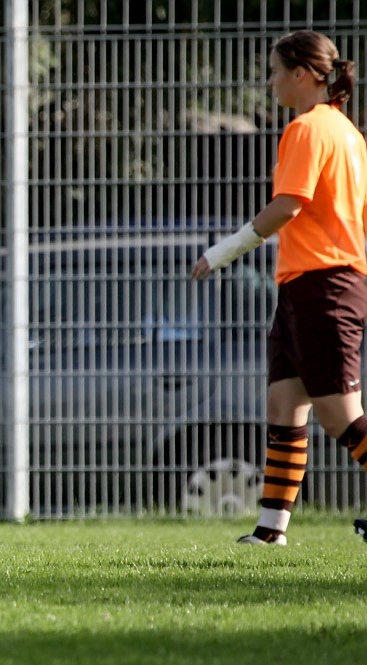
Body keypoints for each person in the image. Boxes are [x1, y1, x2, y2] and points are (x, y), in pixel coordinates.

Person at [191, 30, 367, 546]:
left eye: (274, 72)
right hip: (309, 285)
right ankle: (270, 531)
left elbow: (288, 205)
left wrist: (221, 252)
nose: (270, 82)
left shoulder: (308, 128)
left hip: (324, 285)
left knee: (338, 413)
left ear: (302, 74)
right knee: (285, 404)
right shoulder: (347, 132)